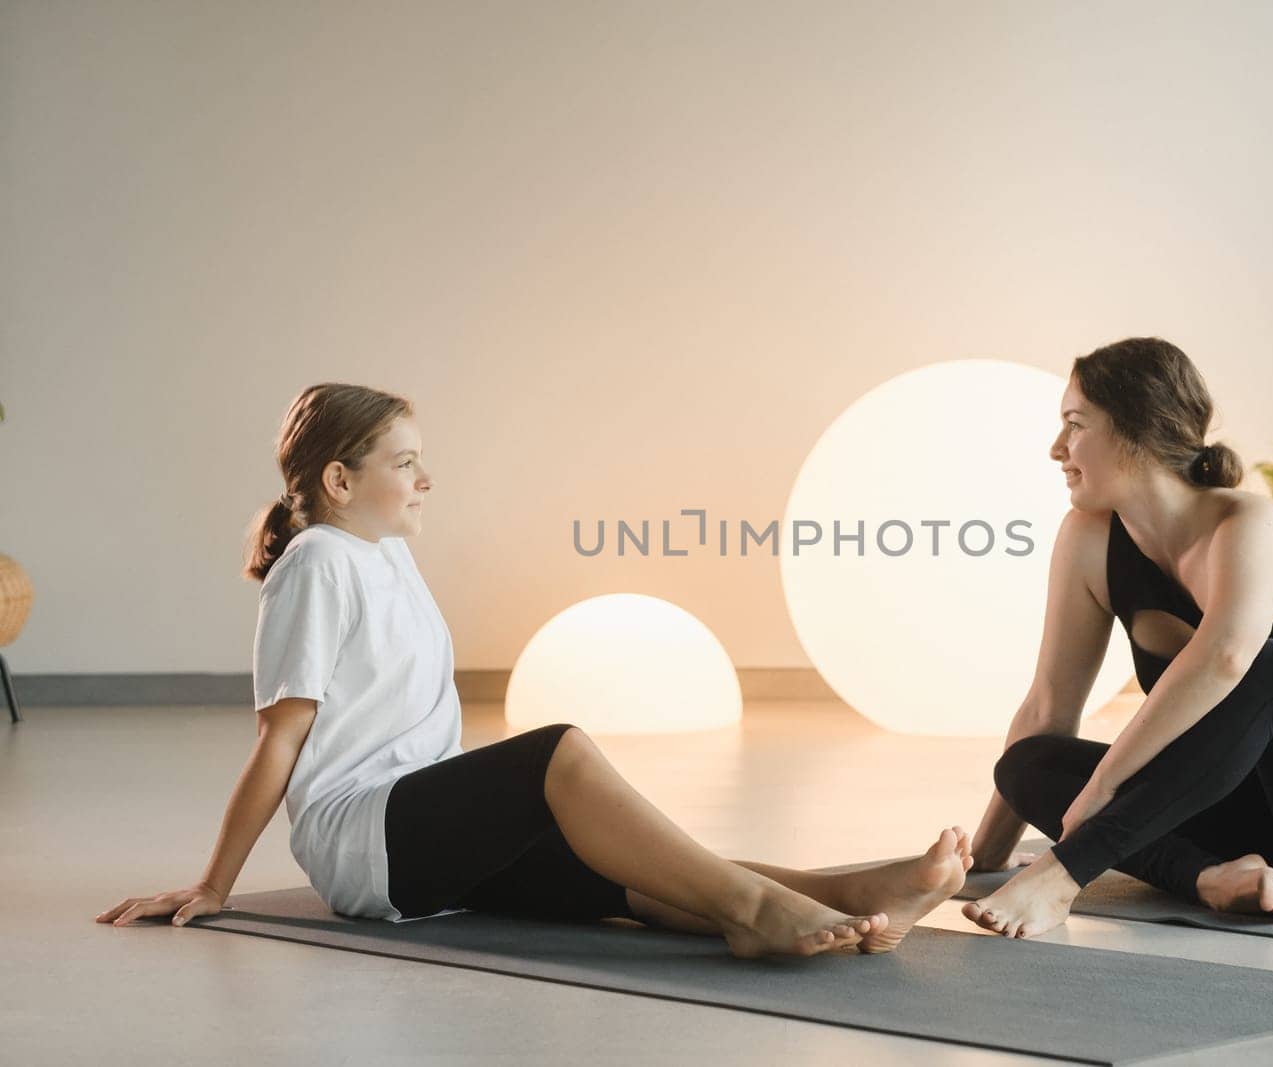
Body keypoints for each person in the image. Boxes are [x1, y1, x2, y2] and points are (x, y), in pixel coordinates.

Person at [96, 382, 974, 959]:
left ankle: (858, 892)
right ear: (337, 478)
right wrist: (216, 883)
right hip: (366, 842)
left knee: (630, 874)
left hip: (424, 827)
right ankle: (755, 911)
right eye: (404, 462)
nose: (425, 477)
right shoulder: (320, 560)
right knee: (555, 751)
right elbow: (279, 736)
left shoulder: (385, 552)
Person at [963, 337, 1273, 939]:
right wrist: (984, 855)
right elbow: (1048, 705)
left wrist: (1096, 800)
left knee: (1266, 667)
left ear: (1136, 431)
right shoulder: (1089, 538)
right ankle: (1210, 878)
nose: (1056, 449)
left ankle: (1061, 878)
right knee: (1027, 762)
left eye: (1074, 425)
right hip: (1255, 825)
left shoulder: (1248, 526)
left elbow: (1226, 661)